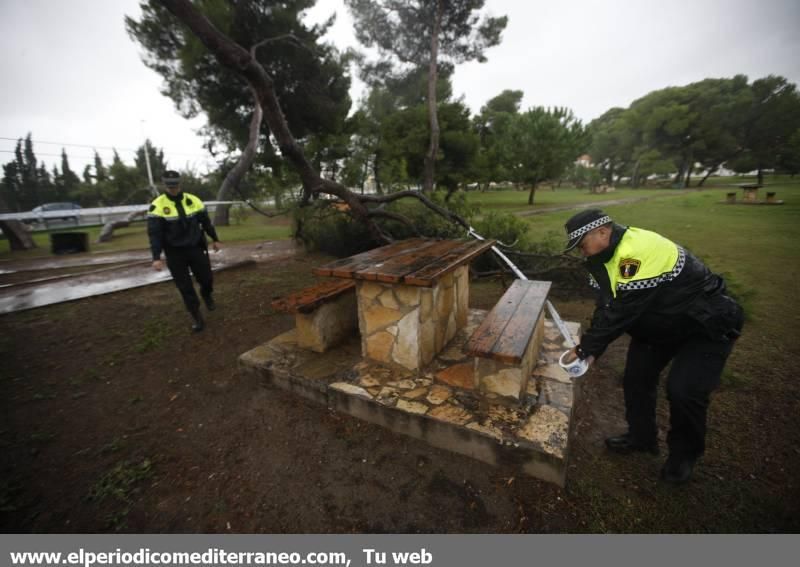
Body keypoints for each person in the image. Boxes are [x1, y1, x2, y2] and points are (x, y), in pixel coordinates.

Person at [561, 209, 743, 484]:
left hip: (705, 325)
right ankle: (641, 437)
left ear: (602, 231)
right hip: (660, 328)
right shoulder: (604, 259)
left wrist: (587, 348)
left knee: (684, 391)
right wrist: (592, 349)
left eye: (582, 245)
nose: (582, 252)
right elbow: (606, 307)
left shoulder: (637, 250)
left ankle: (683, 457)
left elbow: (622, 310)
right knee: (636, 379)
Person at [147, 170, 221, 332]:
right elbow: (155, 234)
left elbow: (206, 223)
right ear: (165, 185)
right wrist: (156, 257)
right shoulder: (157, 205)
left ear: (180, 184)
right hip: (174, 253)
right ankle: (197, 317)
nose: (173, 188)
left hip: (195, 248)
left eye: (175, 185)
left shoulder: (193, 200)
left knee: (207, 279)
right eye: (169, 185)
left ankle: (206, 294)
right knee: (185, 286)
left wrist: (214, 239)